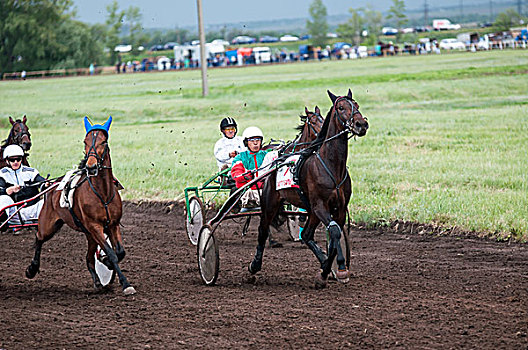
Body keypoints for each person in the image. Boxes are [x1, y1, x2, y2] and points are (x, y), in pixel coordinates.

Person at [231, 127, 282, 248]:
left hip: (265, 191)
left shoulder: (267, 155)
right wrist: (246, 175)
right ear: (246, 142)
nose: (255, 143)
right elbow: (236, 175)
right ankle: (271, 236)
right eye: (252, 140)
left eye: (258, 140)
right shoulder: (240, 158)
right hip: (248, 193)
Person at [0, 145, 47, 226]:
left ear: (21, 159)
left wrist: (45, 184)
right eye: (12, 160)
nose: (15, 162)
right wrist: (8, 190)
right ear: (7, 160)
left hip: (34, 210)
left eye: (18, 159)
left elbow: (41, 182)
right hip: (14, 213)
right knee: (4, 198)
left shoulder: (31, 172)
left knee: (48, 199)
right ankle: (3, 221)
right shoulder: (2, 173)